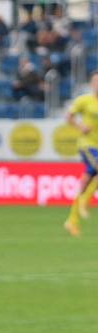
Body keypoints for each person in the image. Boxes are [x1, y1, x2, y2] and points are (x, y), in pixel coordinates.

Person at [64, 72, 98, 236]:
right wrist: (80, 127)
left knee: (86, 181)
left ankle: (72, 220)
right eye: (95, 81)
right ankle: (85, 201)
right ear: (92, 84)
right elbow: (69, 117)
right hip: (88, 145)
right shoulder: (84, 100)